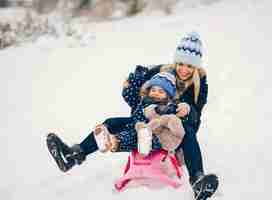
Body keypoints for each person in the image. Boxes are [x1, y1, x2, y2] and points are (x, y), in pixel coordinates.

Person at [47, 31, 218, 200]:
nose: (184, 69)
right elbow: (139, 89)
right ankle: (74, 154)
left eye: (189, 66)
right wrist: (131, 84)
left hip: (173, 128)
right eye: (180, 63)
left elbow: (197, 114)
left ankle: (197, 180)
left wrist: (187, 110)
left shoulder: (199, 85)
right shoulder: (163, 70)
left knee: (188, 132)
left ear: (196, 67)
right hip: (144, 119)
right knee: (111, 122)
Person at [47, 71, 186, 170]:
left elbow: (171, 113)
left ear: (168, 96)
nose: (156, 93)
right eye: (154, 89)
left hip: (151, 134)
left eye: (161, 92)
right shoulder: (144, 99)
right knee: (111, 122)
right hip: (134, 123)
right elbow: (130, 95)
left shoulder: (166, 106)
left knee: (134, 135)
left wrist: (167, 109)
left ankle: (113, 141)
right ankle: (75, 154)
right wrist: (133, 80)